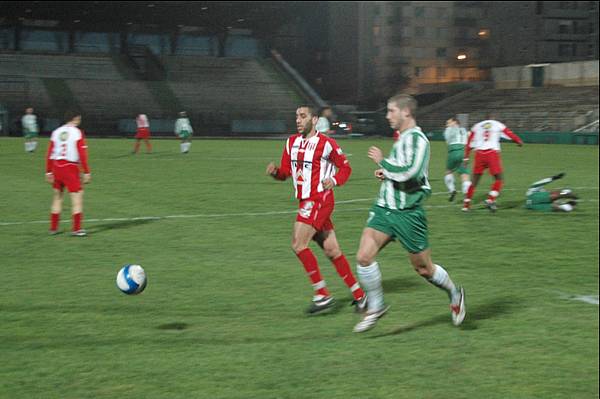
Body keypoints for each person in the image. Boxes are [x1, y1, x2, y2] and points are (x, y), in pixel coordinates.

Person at [353, 94, 466, 333]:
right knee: (364, 257)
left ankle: (455, 294)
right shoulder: (402, 138)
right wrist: (385, 172)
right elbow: (399, 169)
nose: (387, 116)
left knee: (424, 269)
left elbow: (412, 173)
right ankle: (377, 306)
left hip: (408, 214)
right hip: (385, 208)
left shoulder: (418, 139)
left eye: (391, 111)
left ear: (406, 112)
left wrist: (383, 163)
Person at [266, 105, 367, 315]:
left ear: (314, 119)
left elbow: (346, 168)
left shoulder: (326, 144)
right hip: (305, 201)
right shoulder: (291, 142)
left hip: (319, 199)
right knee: (332, 251)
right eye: (296, 116)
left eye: (303, 116)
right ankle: (360, 296)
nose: (298, 120)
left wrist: (335, 180)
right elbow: (286, 172)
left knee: (298, 244)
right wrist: (276, 172)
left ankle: (322, 294)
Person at [462, 114, 523, 212]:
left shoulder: (477, 126)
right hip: (491, 154)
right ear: (493, 118)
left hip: (479, 154)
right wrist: (518, 141)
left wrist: (466, 158)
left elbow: (469, 143)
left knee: (474, 181)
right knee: (499, 179)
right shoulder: (497, 124)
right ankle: (490, 199)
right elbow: (508, 133)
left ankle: (466, 205)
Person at [45, 110, 91, 236]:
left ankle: (53, 228)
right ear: (75, 118)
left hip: (57, 166)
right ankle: (77, 229)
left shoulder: (56, 132)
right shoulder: (77, 132)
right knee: (77, 197)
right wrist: (86, 171)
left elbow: (50, 153)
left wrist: (48, 171)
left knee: (57, 197)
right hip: (70, 167)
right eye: (79, 118)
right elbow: (82, 154)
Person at [443, 116, 471, 202]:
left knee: (448, 171)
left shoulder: (448, 130)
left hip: (454, 151)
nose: (447, 125)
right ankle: (466, 195)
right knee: (464, 174)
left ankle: (452, 190)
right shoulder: (464, 130)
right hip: (464, 152)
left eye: (449, 122)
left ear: (455, 122)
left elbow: (448, 141)